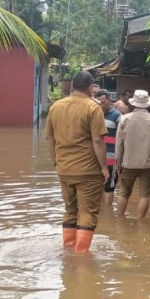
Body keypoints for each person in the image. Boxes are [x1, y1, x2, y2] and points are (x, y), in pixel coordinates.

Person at [46, 71, 110, 254]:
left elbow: (49, 138)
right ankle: (81, 257)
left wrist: (56, 162)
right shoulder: (92, 107)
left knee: (70, 210)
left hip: (64, 170)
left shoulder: (55, 107)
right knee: (88, 213)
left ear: (72, 85)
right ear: (90, 88)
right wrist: (104, 168)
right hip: (88, 171)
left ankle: (68, 250)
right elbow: (98, 141)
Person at [115, 90, 150, 219]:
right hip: (149, 163)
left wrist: (118, 163)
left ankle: (119, 219)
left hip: (128, 163)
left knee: (124, 192)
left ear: (134, 103)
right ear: (147, 104)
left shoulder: (125, 119)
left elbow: (119, 144)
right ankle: (140, 222)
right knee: (145, 194)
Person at [95, 90, 123, 208]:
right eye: (99, 103)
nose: (101, 105)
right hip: (95, 158)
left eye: (104, 103)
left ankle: (107, 212)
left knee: (109, 187)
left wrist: (120, 159)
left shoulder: (117, 116)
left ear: (109, 101)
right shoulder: (94, 114)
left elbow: (122, 138)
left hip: (111, 159)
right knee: (97, 185)